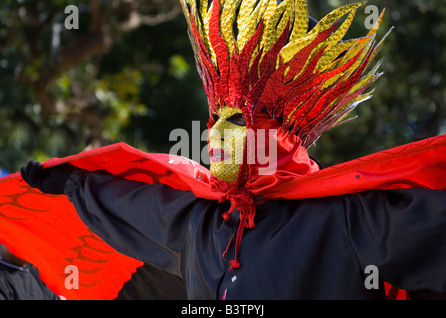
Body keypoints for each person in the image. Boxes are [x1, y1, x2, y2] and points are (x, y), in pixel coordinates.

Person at [20, 0, 446, 299]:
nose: (214, 135)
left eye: (237, 120)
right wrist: (74, 183)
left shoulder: (346, 217)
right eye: (212, 121)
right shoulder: (201, 223)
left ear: (276, 135)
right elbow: (136, 204)